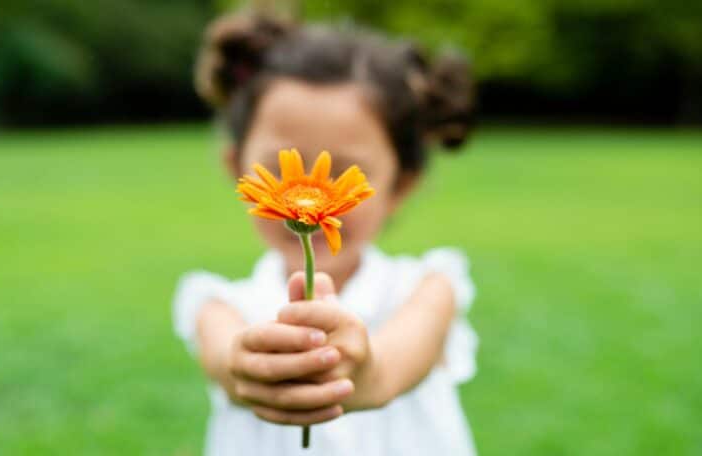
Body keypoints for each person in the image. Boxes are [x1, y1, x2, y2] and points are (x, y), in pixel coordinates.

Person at [174, 13, 478, 456]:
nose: (310, 199)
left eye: (344, 174)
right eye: (279, 170)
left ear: (401, 185)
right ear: (236, 168)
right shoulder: (217, 305)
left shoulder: (429, 288)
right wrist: (251, 368)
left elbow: (397, 362)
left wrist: (364, 375)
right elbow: (228, 361)